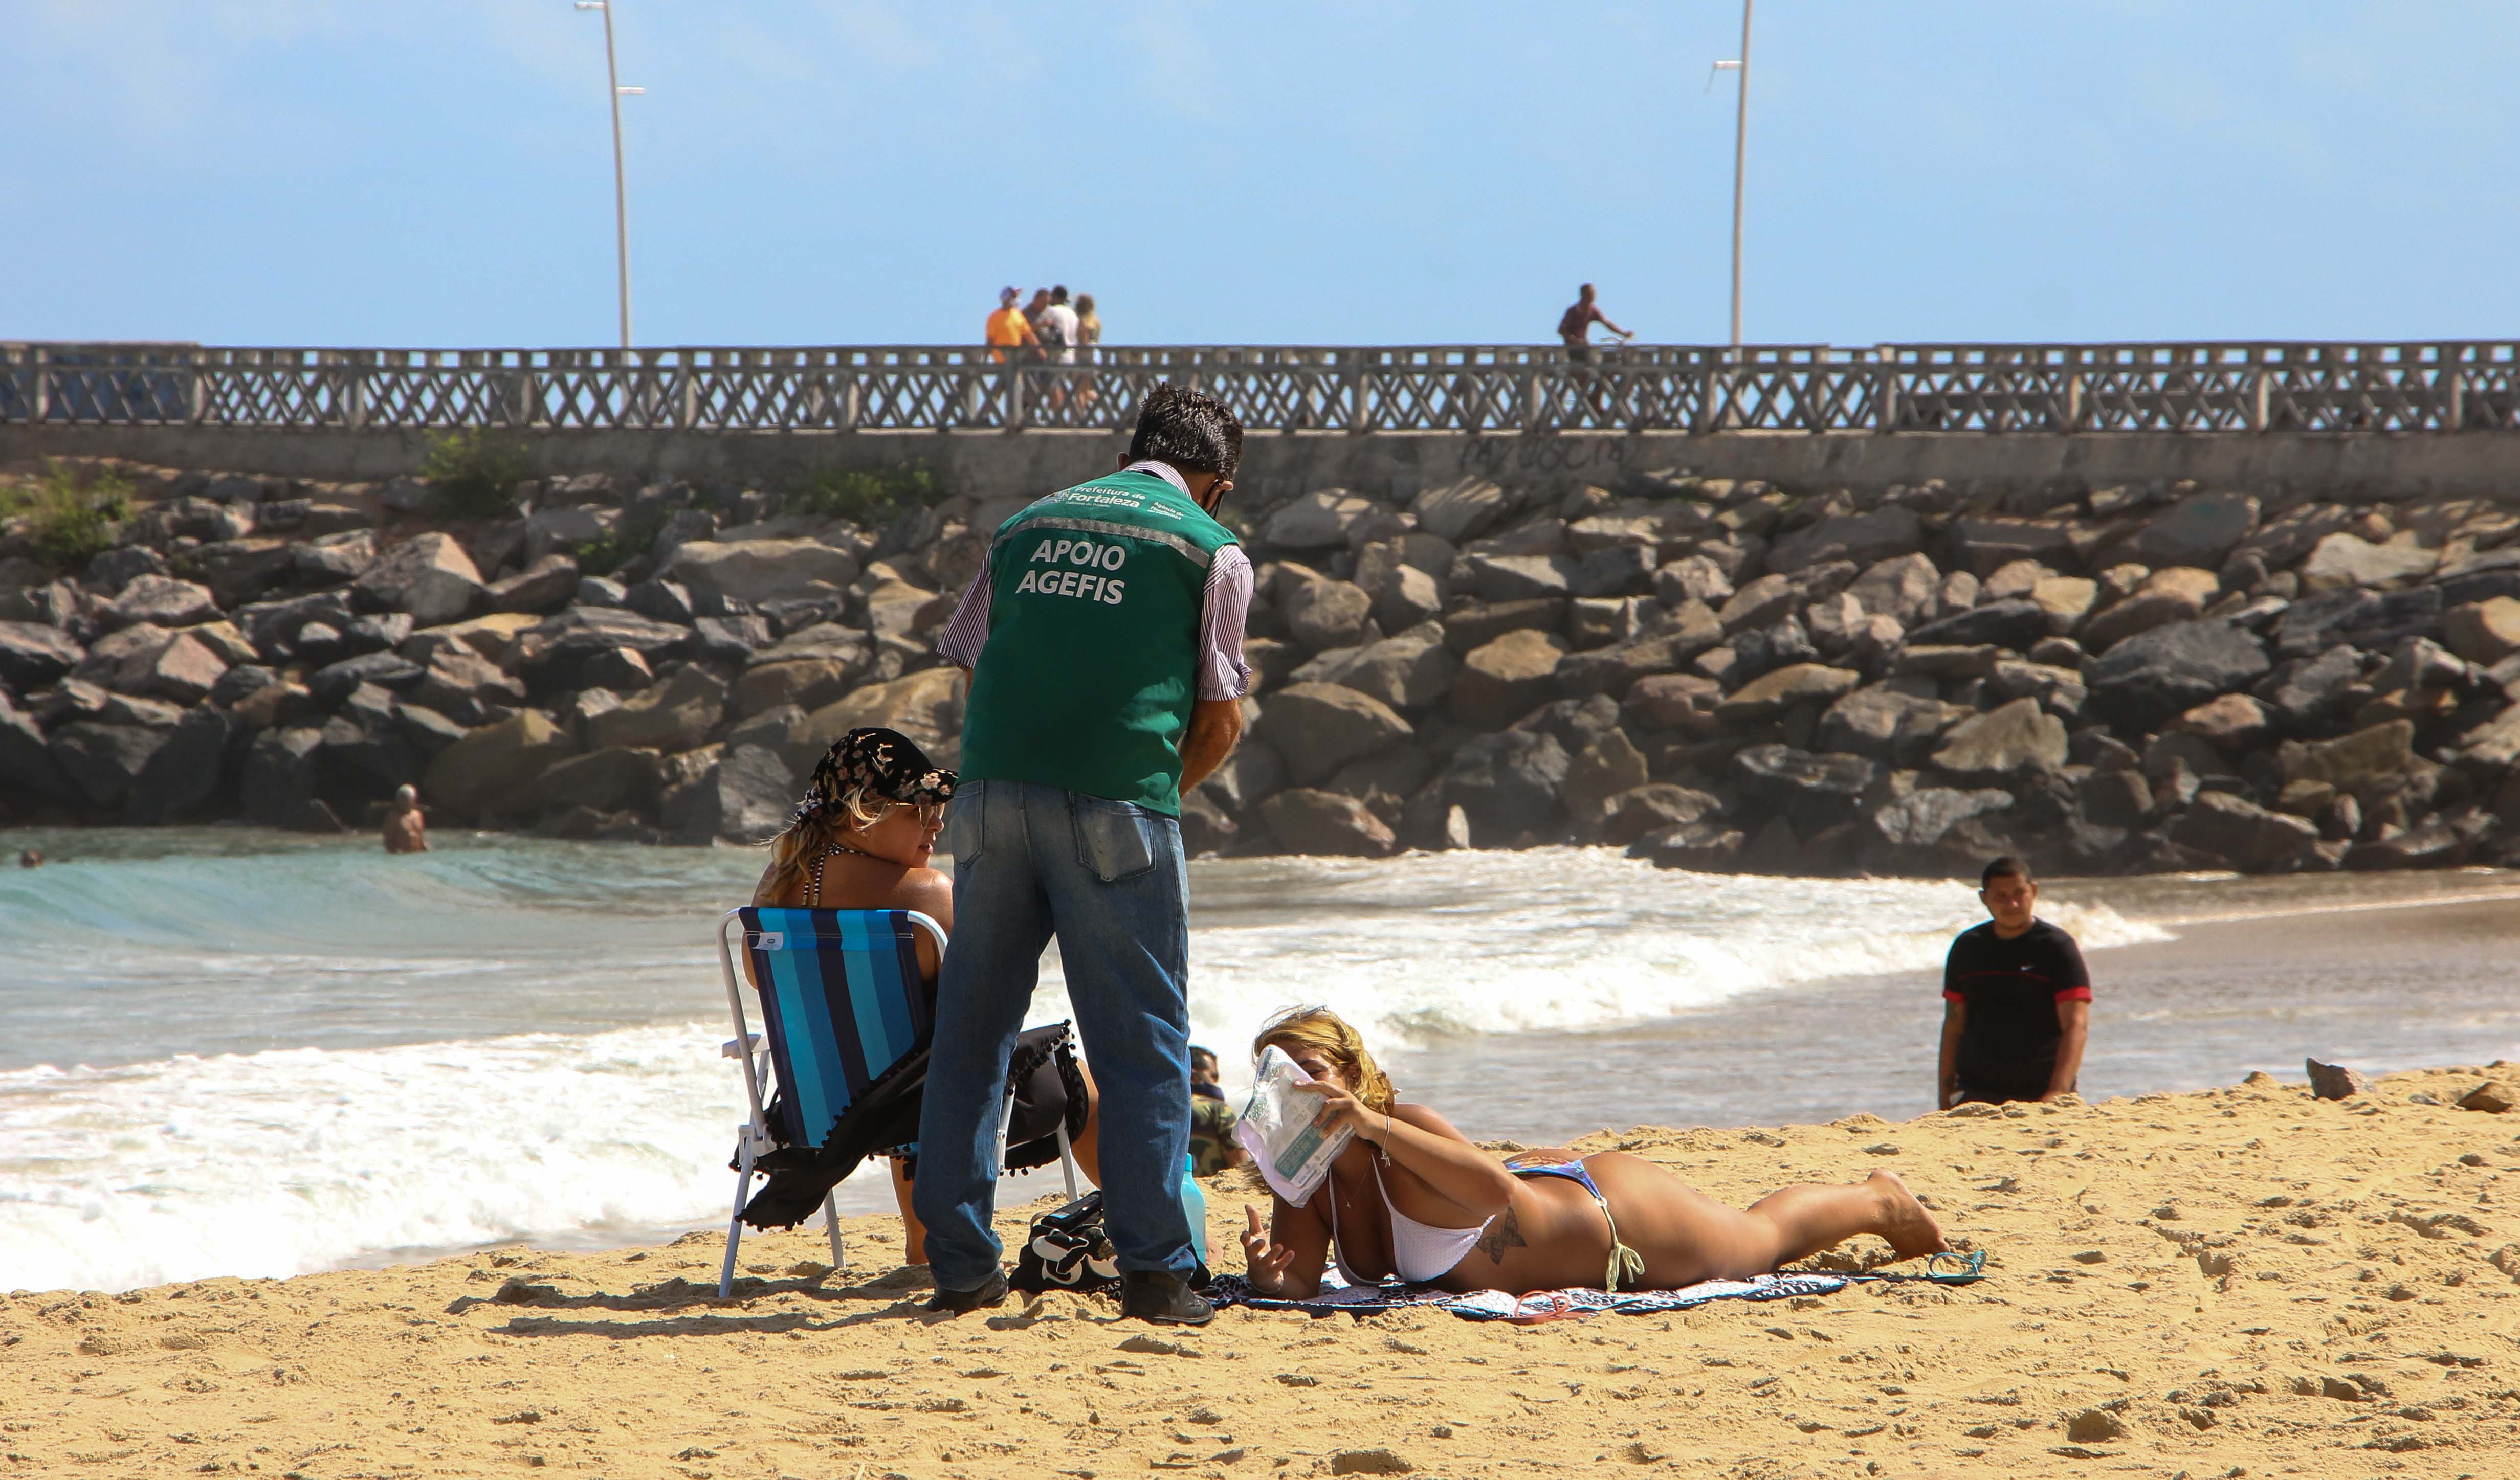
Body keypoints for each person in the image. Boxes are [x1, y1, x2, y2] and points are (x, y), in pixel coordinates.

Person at [917, 384, 1255, 1325]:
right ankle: (1156, 1272)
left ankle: (959, 1265)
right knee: (1141, 1042)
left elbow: (975, 661)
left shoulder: (1025, 524)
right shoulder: (1209, 546)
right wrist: (1146, 795)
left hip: (988, 795)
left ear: (1128, 450)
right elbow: (1221, 716)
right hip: (1119, 805)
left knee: (972, 1034)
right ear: (1216, 485)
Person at [1237, 1008, 1949, 1300]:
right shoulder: (1303, 1169)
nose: (1299, 1088)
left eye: (1314, 1070)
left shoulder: (1400, 1124)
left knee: (1760, 1241)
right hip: (1541, 1198)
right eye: (1282, 1075)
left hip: (1613, 1217)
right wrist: (1269, 1275)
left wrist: (1369, 1121)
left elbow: (1490, 1190)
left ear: (1354, 1075)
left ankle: (1877, 1197)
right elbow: (1298, 1280)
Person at [751, 728, 1102, 1265]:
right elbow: (984, 998)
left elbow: (760, 981)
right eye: (918, 808)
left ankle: (921, 1245)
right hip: (913, 1105)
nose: (938, 821)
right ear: (862, 810)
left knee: (909, 1052)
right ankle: (1152, 1223)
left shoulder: (775, 890)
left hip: (818, 1103)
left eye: (939, 806)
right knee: (1087, 1090)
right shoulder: (926, 894)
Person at [1937, 856, 2092, 1108]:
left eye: (2020, 893)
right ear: (1984, 898)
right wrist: (1945, 1100)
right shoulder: (1967, 948)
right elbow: (1954, 1026)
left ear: (2034, 891)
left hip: (2041, 1093)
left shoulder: (2057, 948)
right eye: (2000, 896)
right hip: (1976, 1094)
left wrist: (2057, 1092)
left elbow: (2076, 1026)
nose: (2012, 903)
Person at [1557, 283, 1634, 418]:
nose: (1593, 297)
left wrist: (1622, 333)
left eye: (1594, 294)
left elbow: (1606, 323)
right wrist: (1575, 340)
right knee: (1588, 375)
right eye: (1590, 294)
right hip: (1574, 350)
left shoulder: (1592, 310)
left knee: (1606, 368)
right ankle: (1591, 402)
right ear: (1583, 295)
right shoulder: (1573, 311)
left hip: (1585, 348)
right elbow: (1561, 330)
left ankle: (1598, 400)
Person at [1187, 1047, 1248, 1177]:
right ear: (1194, 1077)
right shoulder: (1219, 1110)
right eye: (1214, 1076)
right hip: (1205, 1194)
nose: (1217, 1082)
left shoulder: (1157, 1108)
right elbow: (1241, 1167)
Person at [985, 287, 1036, 364]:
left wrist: (1039, 349)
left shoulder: (1018, 315)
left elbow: (1029, 335)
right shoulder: (994, 318)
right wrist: (986, 359)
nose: (1015, 300)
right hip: (1001, 363)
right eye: (1013, 298)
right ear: (1006, 299)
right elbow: (990, 341)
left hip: (1016, 361)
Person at [382, 786, 428, 854]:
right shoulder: (392, 817)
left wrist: (426, 848)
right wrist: (397, 854)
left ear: (413, 800)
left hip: (417, 855)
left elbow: (420, 836)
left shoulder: (418, 815)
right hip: (402, 855)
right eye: (401, 799)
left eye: (406, 799)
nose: (403, 802)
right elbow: (387, 842)